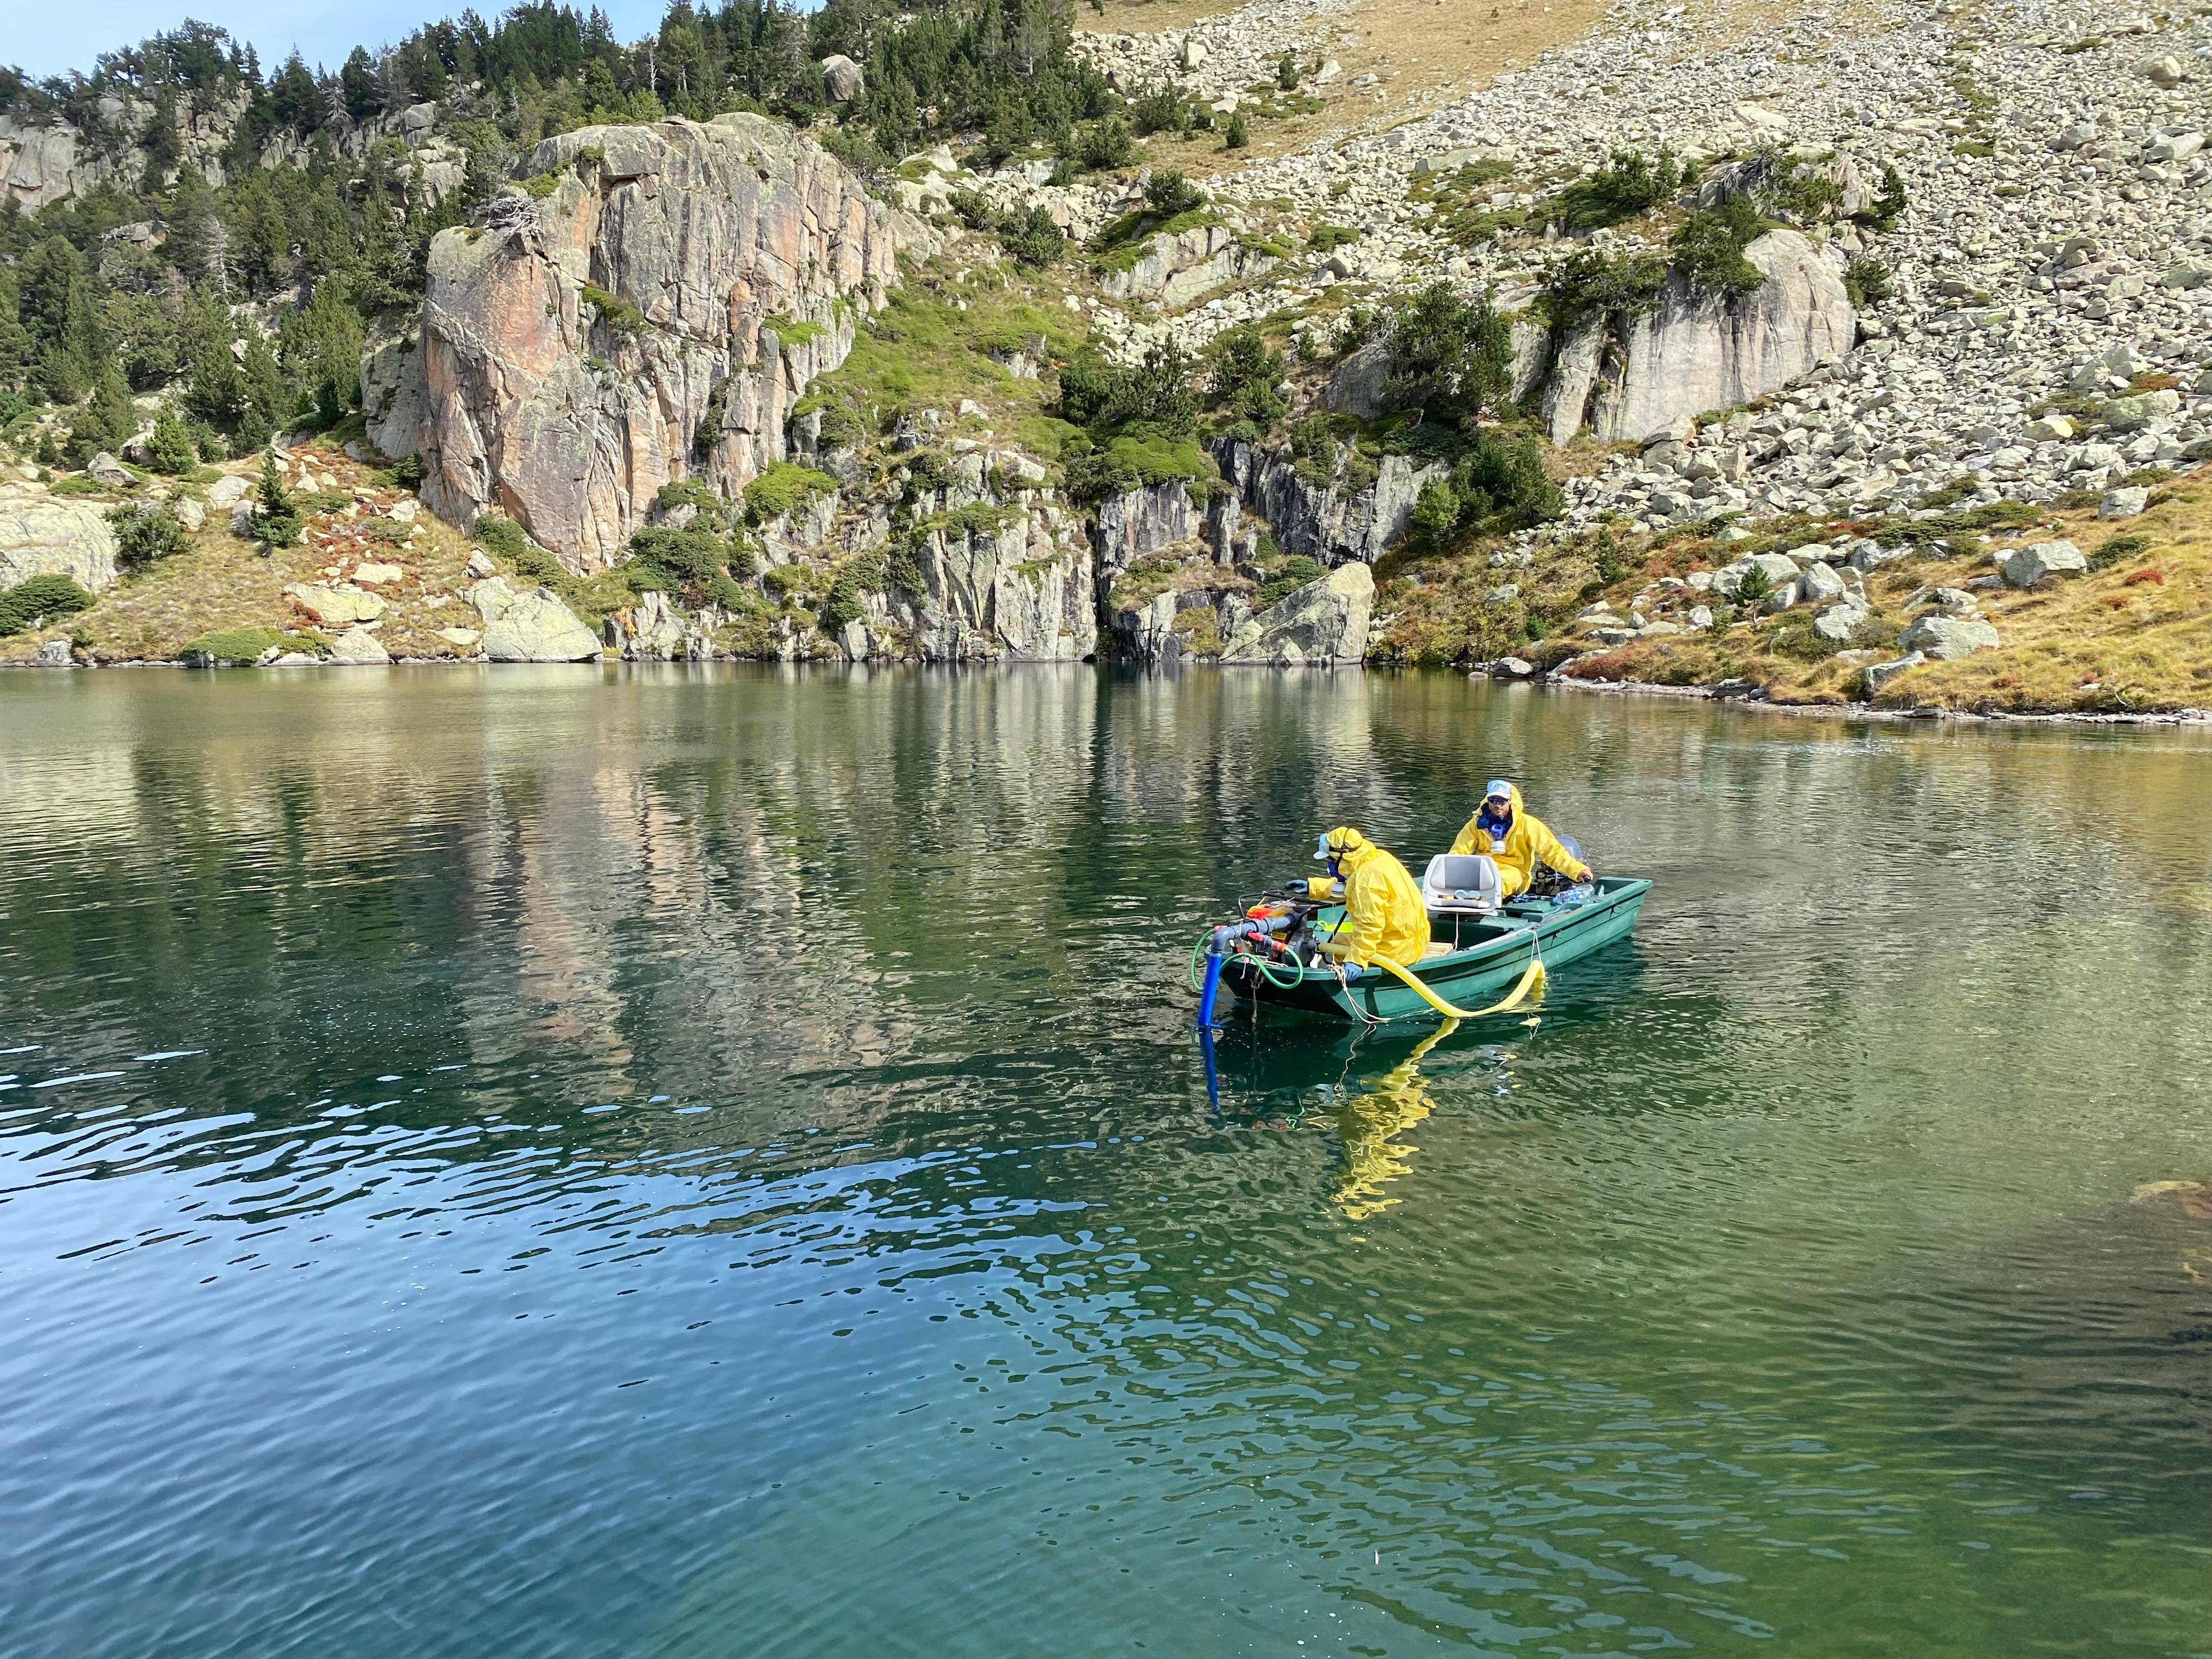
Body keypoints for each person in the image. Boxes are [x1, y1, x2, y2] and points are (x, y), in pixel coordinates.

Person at [1303, 826, 1430, 977]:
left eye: (1330, 859)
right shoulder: (1378, 858)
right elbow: (1350, 888)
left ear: (1342, 856)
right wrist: (1313, 887)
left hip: (1397, 949)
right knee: (1340, 941)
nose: (1330, 864)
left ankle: (1340, 981)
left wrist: (1357, 960)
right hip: (1413, 940)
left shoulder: (1367, 880)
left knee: (1337, 945)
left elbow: (1370, 926)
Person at [1449, 780, 1592, 899]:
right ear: (1488, 800)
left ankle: (1480, 899)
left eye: (1502, 801)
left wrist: (1578, 870)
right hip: (1483, 869)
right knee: (1463, 879)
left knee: (1500, 882)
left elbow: (1552, 851)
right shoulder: (1477, 823)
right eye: (1493, 800)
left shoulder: (1528, 824)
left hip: (1516, 873)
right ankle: (1460, 899)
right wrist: (1448, 871)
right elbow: (1459, 850)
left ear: (1510, 801)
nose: (1498, 805)